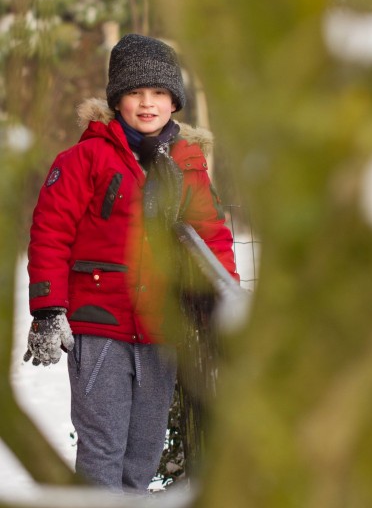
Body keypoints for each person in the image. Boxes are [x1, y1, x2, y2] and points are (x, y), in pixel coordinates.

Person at [24, 33, 239, 493]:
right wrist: (47, 309)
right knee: (103, 449)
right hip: (99, 324)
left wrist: (228, 300)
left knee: (142, 452)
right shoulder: (85, 158)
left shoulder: (188, 163)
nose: (147, 103)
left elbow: (212, 235)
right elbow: (50, 230)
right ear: (117, 98)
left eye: (159, 92)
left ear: (174, 100)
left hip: (162, 326)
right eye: (135, 92)